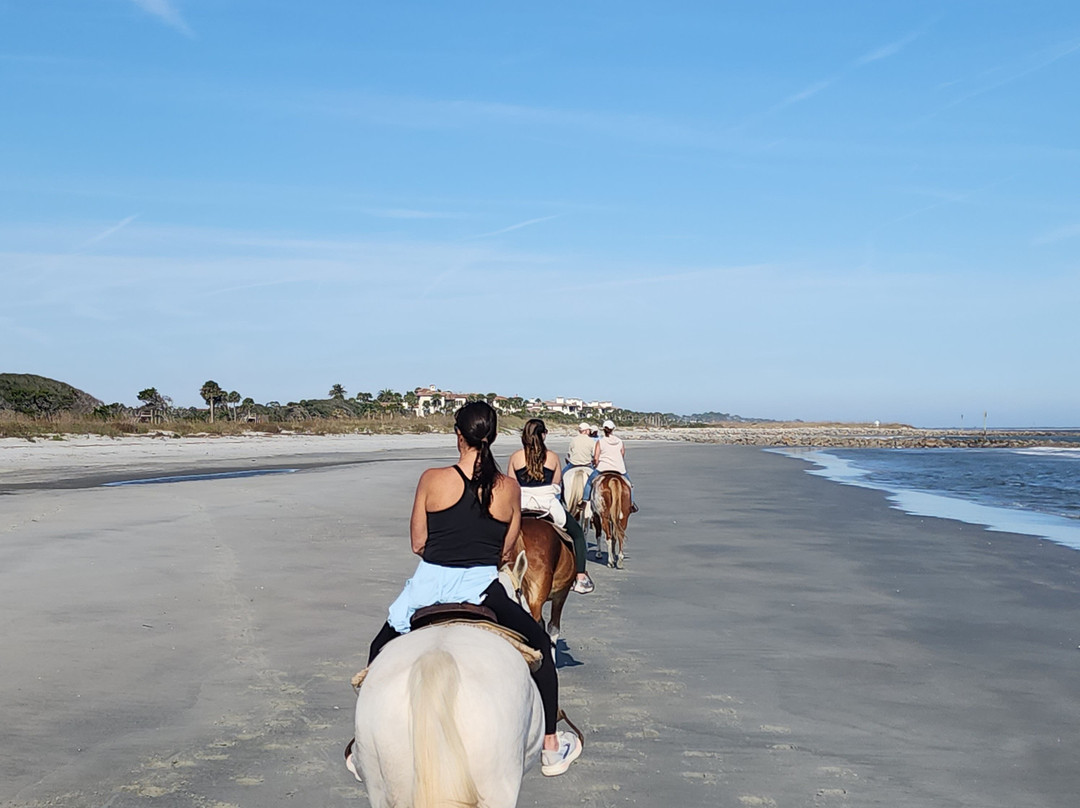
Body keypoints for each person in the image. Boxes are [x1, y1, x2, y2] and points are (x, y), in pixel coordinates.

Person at [366, 402, 581, 776]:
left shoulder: (431, 479)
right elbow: (507, 551)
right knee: (542, 648)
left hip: (427, 587)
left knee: (377, 650)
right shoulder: (509, 489)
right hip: (482, 589)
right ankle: (549, 744)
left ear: (458, 435)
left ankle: (364, 748)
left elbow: (418, 543)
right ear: (493, 437)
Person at [507, 419, 595, 595]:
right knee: (577, 533)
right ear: (543, 435)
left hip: (522, 504)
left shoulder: (516, 457)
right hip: (548, 504)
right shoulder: (553, 457)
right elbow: (557, 484)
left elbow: (512, 484)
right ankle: (580, 577)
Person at [582, 418, 637, 511]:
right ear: (613, 429)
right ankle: (631, 504)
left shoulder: (601, 441)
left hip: (603, 468)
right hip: (619, 468)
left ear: (603, 429)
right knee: (630, 485)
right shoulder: (620, 442)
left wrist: (595, 464)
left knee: (589, 482)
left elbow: (596, 457)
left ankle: (584, 500)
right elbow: (622, 454)